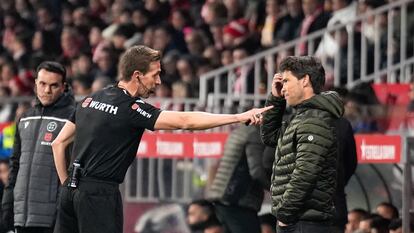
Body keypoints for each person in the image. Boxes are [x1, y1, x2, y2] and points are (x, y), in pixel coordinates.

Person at [51, 45, 272, 233]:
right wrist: (237, 116)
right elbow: (185, 121)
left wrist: (67, 187)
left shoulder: (91, 99)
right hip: (99, 194)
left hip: (71, 190)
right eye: (155, 74)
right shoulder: (130, 108)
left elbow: (58, 143)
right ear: (137, 75)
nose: (158, 81)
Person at [261, 56, 344, 233]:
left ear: (305, 80)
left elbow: (306, 172)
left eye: (286, 81)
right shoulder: (303, 116)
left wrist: (285, 213)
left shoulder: (315, 119)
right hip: (298, 219)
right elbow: (270, 138)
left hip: (304, 222)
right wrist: (276, 100)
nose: (283, 89)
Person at [2, 61, 75, 233]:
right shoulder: (25, 118)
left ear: (64, 87)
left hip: (51, 218)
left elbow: (72, 170)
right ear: (35, 83)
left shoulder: (72, 119)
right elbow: (15, 165)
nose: (47, 90)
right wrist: (7, 203)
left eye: (54, 85)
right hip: (21, 216)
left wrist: (62, 212)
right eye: (42, 84)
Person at [207, 125, 269, 233]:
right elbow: (257, 171)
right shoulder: (255, 134)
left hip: (224, 199)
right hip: (238, 198)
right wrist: (274, 188)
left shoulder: (239, 132)